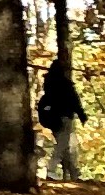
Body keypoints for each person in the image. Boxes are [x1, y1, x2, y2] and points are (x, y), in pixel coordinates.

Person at [36, 52, 85, 183]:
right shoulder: (65, 85)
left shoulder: (49, 85)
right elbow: (74, 100)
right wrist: (81, 115)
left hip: (54, 119)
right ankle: (51, 170)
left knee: (69, 146)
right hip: (64, 118)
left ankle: (74, 173)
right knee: (64, 145)